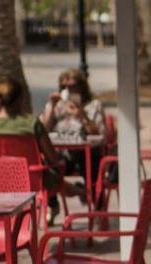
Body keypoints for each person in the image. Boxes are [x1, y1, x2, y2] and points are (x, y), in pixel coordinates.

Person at [0, 77, 76, 222]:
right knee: (54, 174)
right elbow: (53, 158)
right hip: (29, 182)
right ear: (20, 99)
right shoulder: (31, 124)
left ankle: (75, 190)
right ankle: (78, 191)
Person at [40, 69, 105, 202]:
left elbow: (99, 134)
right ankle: (54, 204)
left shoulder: (93, 105)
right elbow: (43, 131)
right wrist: (52, 106)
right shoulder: (57, 105)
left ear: (81, 86)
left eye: (72, 86)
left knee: (91, 159)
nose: (68, 90)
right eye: (64, 87)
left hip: (86, 152)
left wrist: (82, 116)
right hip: (62, 153)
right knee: (47, 164)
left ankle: (92, 199)